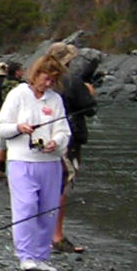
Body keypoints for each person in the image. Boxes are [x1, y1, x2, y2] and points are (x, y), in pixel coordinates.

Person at [0, 53, 72, 271]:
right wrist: (19, 128)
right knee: (27, 206)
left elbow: (63, 131)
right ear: (36, 74)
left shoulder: (55, 100)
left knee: (48, 210)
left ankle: (41, 256)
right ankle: (26, 255)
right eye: (46, 78)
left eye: (52, 80)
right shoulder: (18, 94)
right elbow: (0, 128)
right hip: (21, 161)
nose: (48, 84)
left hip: (50, 163)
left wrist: (55, 142)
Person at [45, 44, 98, 254]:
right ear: (67, 60)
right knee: (63, 184)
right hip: (69, 138)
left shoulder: (41, 78)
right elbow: (90, 108)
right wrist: (90, 92)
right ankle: (56, 236)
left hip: (44, 137)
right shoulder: (70, 80)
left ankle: (43, 231)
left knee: (47, 184)